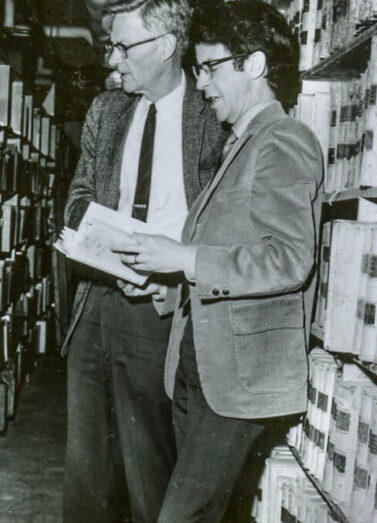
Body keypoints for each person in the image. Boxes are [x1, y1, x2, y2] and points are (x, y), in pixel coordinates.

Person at [115, 1, 324, 520]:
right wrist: (167, 283)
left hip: (238, 379)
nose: (202, 83)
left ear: (252, 65)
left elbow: (288, 259)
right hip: (200, 368)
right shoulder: (241, 143)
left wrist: (183, 258)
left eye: (210, 68)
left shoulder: (283, 140)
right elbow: (228, 252)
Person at [61, 0, 226, 520]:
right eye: (111, 45)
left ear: (168, 46)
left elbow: (225, 221)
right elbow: (77, 196)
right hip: (98, 302)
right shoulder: (106, 111)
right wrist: (102, 241)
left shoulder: (214, 115)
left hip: (164, 306)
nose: (114, 59)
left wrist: (172, 271)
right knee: (86, 468)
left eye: (124, 46)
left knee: (150, 464)